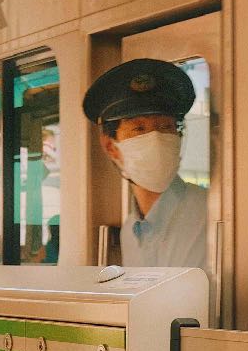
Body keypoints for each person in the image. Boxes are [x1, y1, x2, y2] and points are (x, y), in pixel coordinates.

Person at [82, 57, 207, 270]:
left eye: (165, 127)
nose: (155, 139)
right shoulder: (129, 231)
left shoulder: (210, 212)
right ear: (111, 146)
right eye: (139, 129)